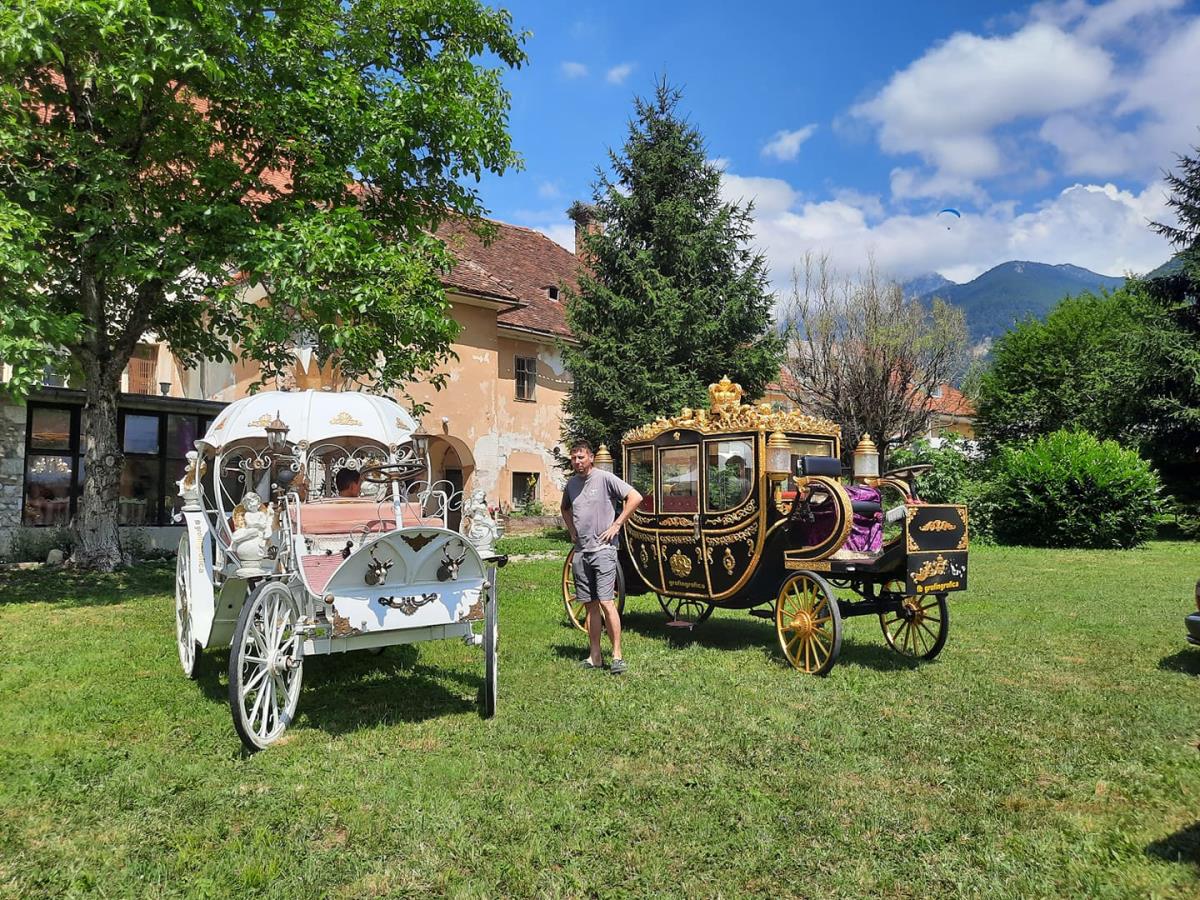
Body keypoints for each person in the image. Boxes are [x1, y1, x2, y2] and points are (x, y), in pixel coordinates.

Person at [560, 440, 643, 674]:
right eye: (574, 458)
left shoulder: (605, 478)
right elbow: (564, 508)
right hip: (581, 552)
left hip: (604, 551)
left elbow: (635, 497)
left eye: (581, 457)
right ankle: (595, 656)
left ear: (591, 458)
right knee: (590, 606)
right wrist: (572, 531)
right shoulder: (571, 484)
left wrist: (617, 524)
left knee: (607, 602)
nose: (577, 461)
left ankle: (617, 656)